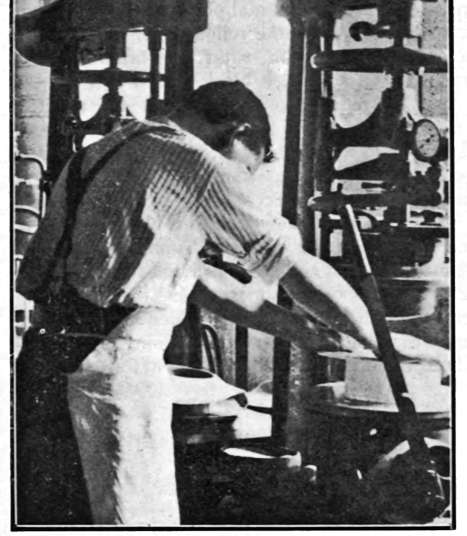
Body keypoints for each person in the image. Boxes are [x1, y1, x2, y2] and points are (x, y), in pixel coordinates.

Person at [15, 80, 449, 526]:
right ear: (239, 132)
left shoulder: (99, 152)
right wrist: (382, 341)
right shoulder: (195, 162)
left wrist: (301, 330)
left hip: (44, 363)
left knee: (55, 516)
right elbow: (296, 269)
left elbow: (200, 281)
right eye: (246, 170)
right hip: (110, 371)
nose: (240, 181)